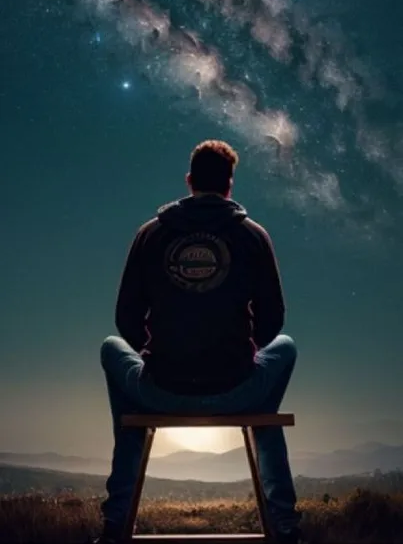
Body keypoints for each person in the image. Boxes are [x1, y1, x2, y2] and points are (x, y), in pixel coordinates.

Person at [96, 140, 301, 544]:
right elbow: (274, 320)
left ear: (189, 181)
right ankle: (286, 526)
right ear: (230, 184)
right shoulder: (253, 236)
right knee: (287, 346)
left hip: (161, 391)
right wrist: (242, 357)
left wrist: (160, 357)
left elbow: (124, 320)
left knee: (109, 347)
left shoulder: (150, 235)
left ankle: (115, 522)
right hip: (236, 390)